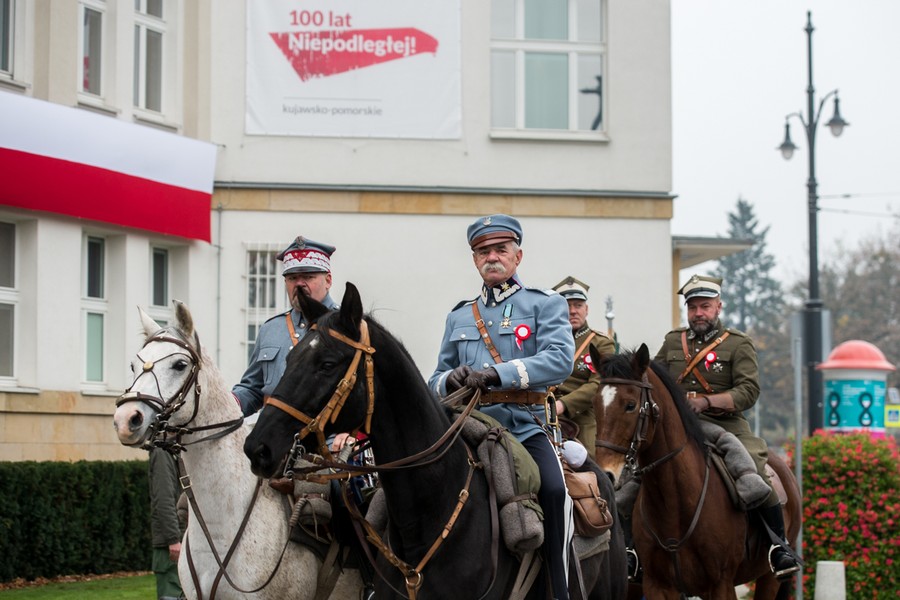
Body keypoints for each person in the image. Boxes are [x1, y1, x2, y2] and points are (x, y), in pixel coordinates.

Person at [429, 214, 575, 600]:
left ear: (518, 255)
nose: (491, 257)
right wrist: (450, 380)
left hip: (524, 427)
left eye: (500, 250)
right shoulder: (459, 315)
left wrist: (498, 373)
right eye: (482, 251)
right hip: (466, 426)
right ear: (475, 259)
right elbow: (435, 377)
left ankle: (558, 587)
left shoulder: (545, 303)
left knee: (555, 492)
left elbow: (561, 360)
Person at [653, 274, 802, 580]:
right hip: (679, 427)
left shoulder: (738, 344)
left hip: (727, 425)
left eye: (705, 306)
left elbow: (749, 391)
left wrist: (708, 402)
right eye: (693, 307)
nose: (698, 313)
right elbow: (653, 381)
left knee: (756, 471)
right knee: (634, 476)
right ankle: (630, 550)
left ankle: (778, 546)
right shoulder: (672, 342)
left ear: (718, 307)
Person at [232, 236, 338, 417]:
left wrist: (349, 434)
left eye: (308, 276)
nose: (299, 284)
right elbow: (253, 389)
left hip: (328, 439)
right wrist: (224, 402)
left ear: (328, 280)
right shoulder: (271, 329)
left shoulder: (349, 326)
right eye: (292, 278)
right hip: (271, 438)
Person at [551, 276, 616, 451]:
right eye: (567, 306)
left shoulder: (601, 343)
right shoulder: (545, 340)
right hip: (542, 411)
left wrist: (563, 405)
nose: (572, 311)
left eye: (578, 305)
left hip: (581, 417)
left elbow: (599, 383)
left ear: (586, 309)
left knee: (592, 466)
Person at [149, 447, 186, 600]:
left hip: (182, 541)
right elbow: (164, 499)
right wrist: (173, 540)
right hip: (171, 548)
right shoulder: (162, 452)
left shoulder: (177, 451)